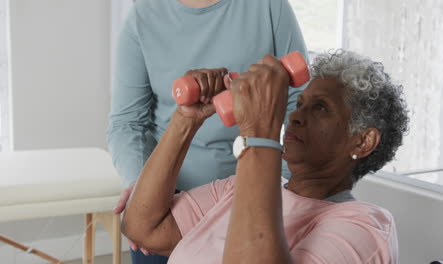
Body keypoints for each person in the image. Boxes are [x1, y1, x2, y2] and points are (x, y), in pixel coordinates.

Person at [121, 50, 409, 263]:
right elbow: (143, 227)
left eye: (320, 108)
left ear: (363, 141)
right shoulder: (236, 189)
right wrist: (186, 119)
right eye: (299, 103)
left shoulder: (366, 228)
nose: (295, 115)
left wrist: (259, 129)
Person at [106, 0, 308, 262]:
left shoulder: (269, 6)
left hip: (252, 196)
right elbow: (126, 122)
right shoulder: (143, 15)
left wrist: (279, 187)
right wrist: (140, 189)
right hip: (170, 204)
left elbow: (299, 104)